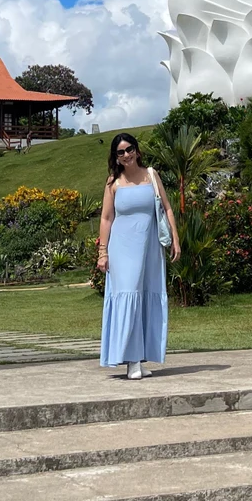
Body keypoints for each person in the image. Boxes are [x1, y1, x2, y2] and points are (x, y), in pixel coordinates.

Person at [97, 132, 180, 379]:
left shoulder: (151, 175)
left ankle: (140, 357)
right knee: (129, 296)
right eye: (120, 152)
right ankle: (131, 360)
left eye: (129, 149)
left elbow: (166, 207)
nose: (126, 155)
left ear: (137, 150)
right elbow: (106, 218)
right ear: (116, 157)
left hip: (150, 247)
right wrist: (102, 252)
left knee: (145, 298)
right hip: (122, 248)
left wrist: (175, 238)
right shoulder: (113, 183)